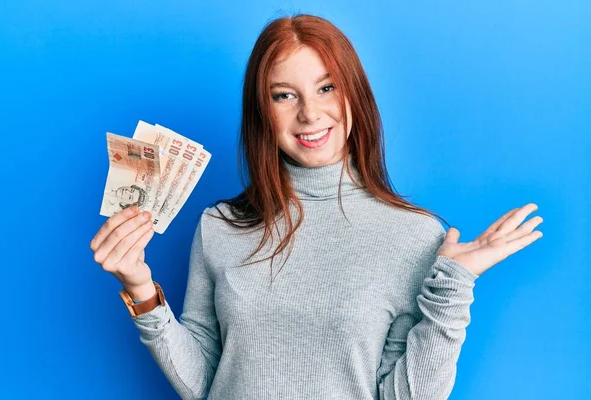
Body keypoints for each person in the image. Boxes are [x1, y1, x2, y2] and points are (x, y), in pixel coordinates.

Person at [89, 13, 543, 400]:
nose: (309, 113)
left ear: (353, 96)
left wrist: (454, 284)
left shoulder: (414, 236)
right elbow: (204, 382)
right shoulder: (220, 226)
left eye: (326, 88)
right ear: (262, 112)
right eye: (284, 95)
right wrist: (142, 289)